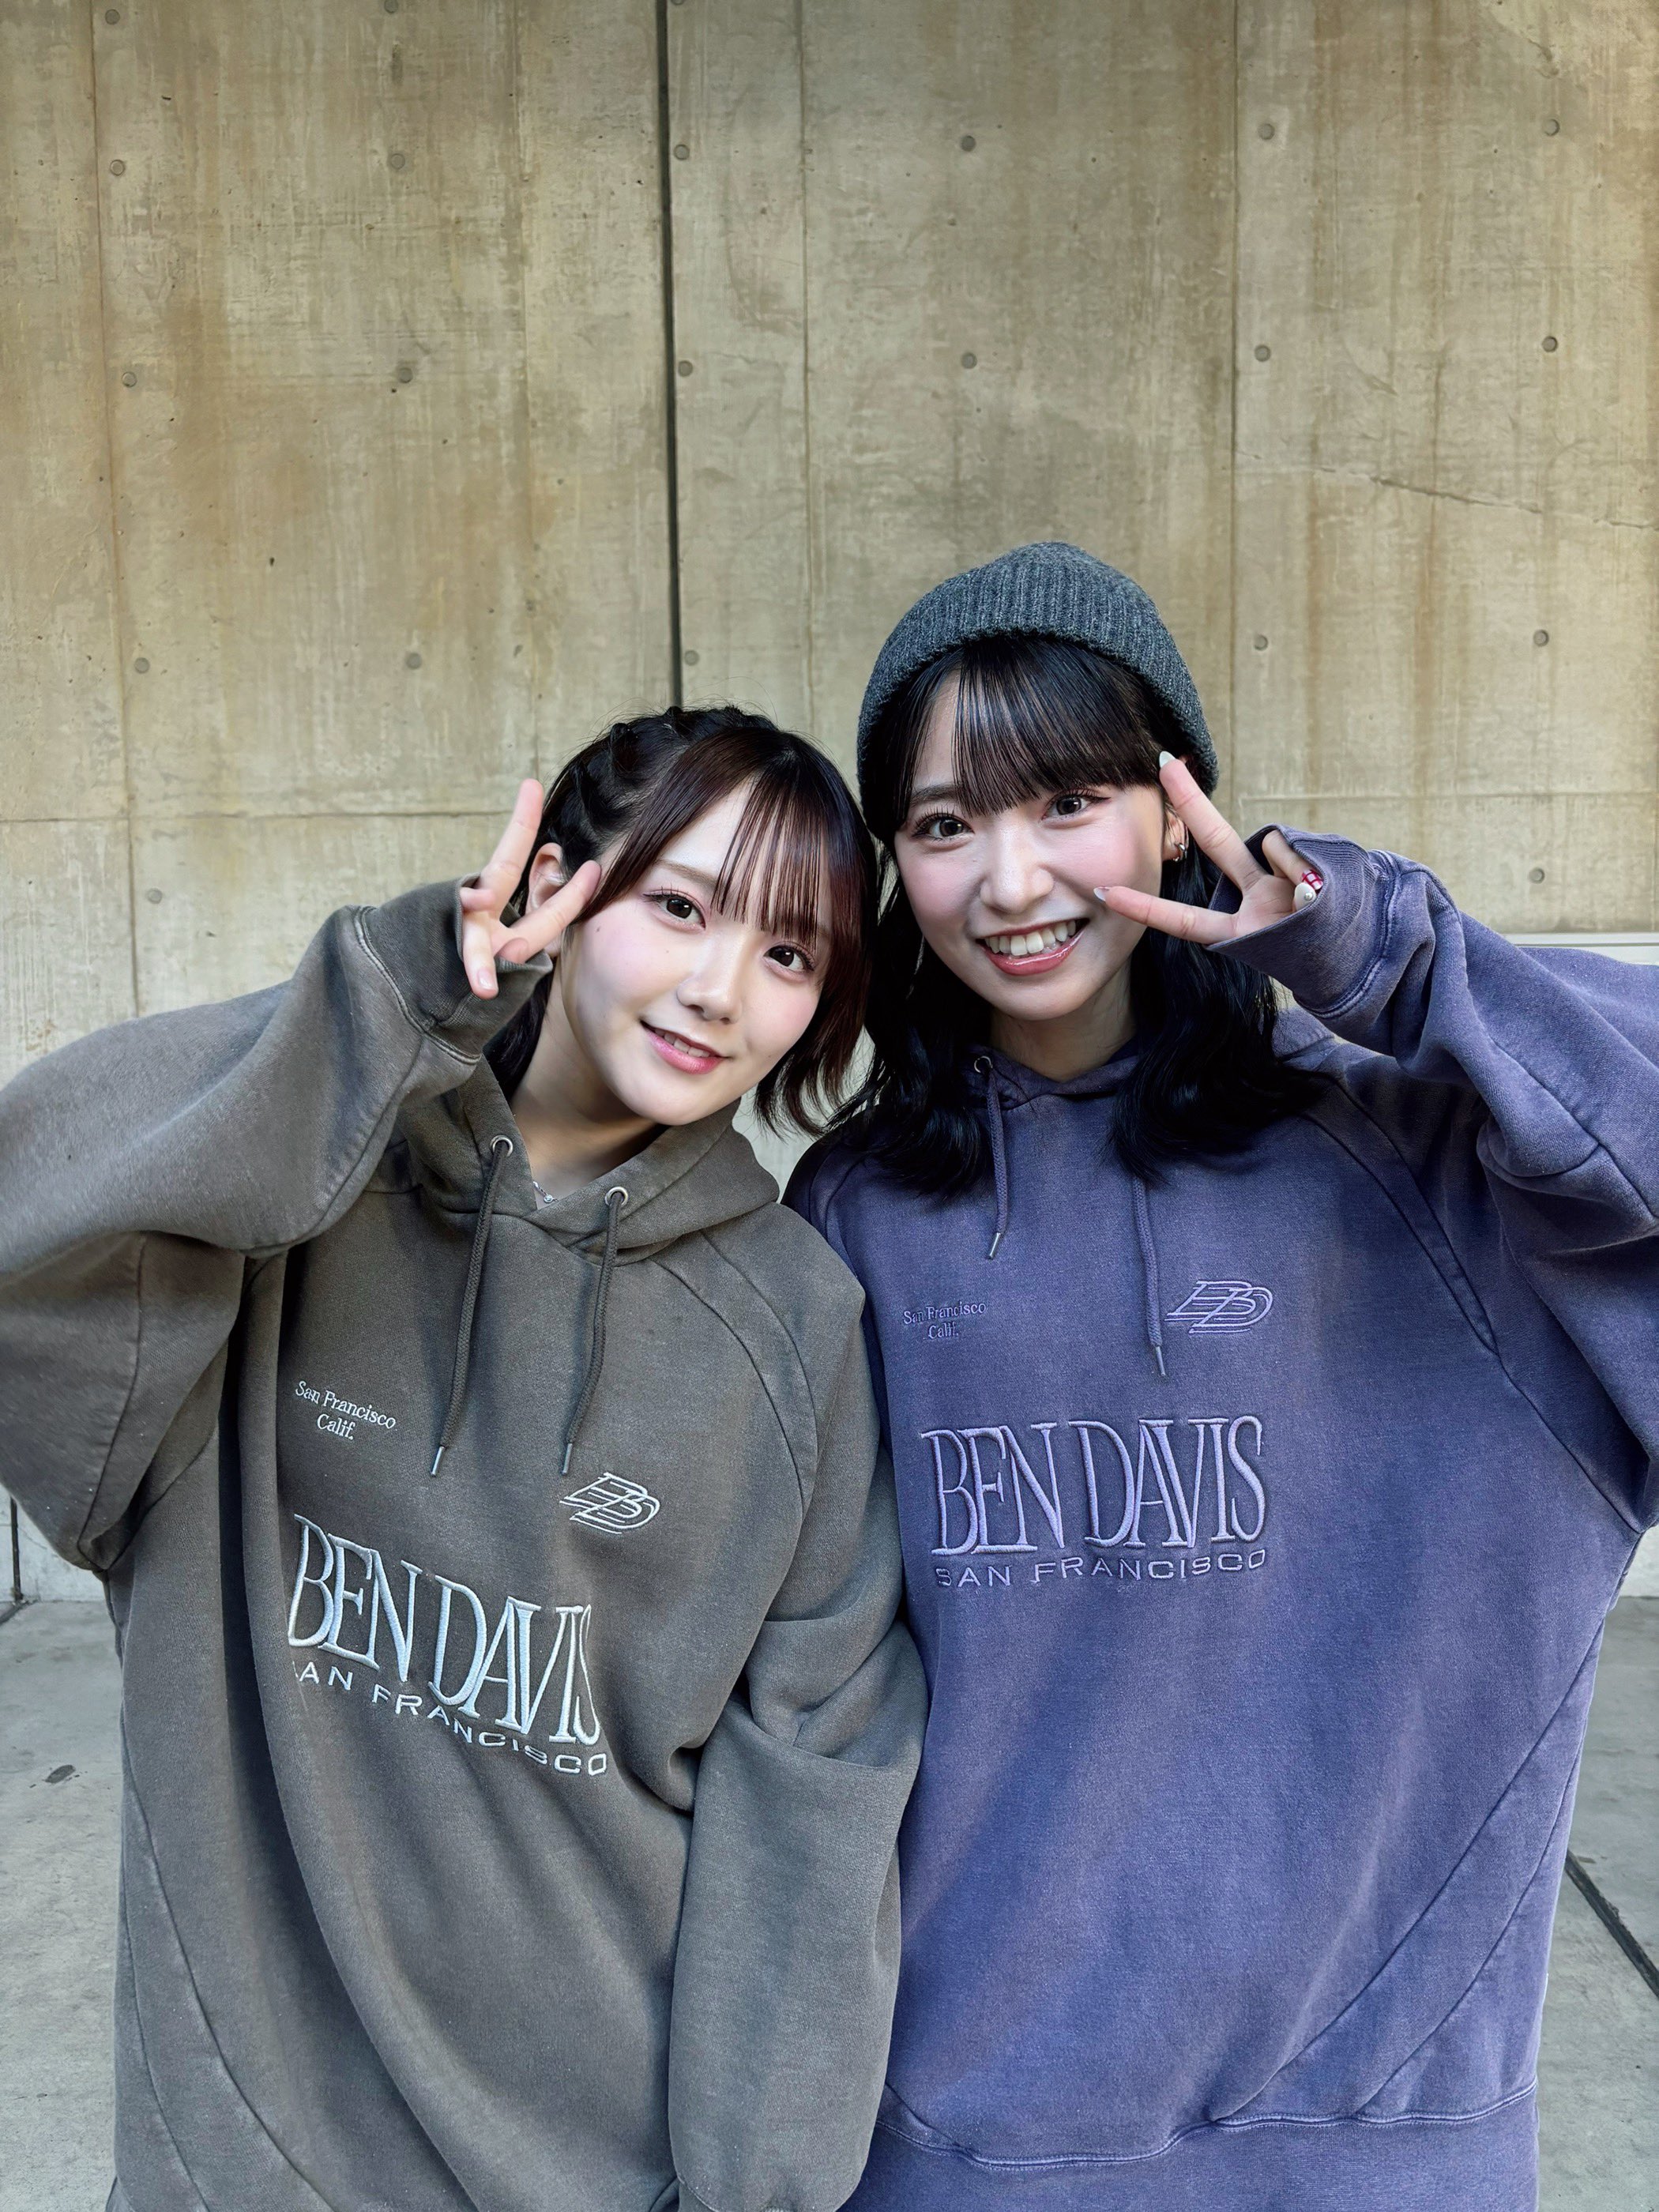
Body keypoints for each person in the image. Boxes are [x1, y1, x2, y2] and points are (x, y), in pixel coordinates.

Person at [788, 542, 1658, 2212]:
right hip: (963, 2138)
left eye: (1070, 801)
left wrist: (1395, 963)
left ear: (1178, 804)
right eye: (944, 823)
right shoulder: (862, 1209)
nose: (1011, 879)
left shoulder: (1416, 1148)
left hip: (1372, 2143)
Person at [0, 706, 925, 2212]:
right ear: (557, 889)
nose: (718, 990)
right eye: (679, 908)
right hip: (241, 2161)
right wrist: (383, 1004)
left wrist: (756, 2187)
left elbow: (816, 1779)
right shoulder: (283, 1214)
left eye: (788, 953)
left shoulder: (798, 1329)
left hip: (601, 2164)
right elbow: (28, 1227)